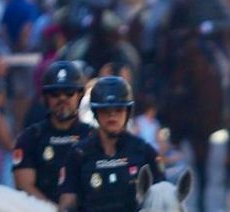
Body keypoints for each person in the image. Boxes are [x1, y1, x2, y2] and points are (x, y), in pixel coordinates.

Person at [60, 76, 162, 212]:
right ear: (95, 113)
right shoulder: (78, 154)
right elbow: (67, 204)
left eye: (118, 109)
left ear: (128, 112)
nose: (112, 115)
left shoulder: (144, 152)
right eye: (105, 110)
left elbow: (163, 198)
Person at [165, 0, 230, 120]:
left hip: (213, 43)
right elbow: (173, 25)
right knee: (171, 68)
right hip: (187, 42)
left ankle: (229, 113)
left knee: (226, 71)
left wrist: (210, 26)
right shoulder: (183, 0)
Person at [14, 61, 92, 203]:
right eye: (55, 94)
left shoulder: (93, 136)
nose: (62, 99)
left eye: (69, 93)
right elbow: (24, 185)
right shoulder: (30, 138)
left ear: (79, 95)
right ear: (46, 97)